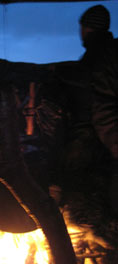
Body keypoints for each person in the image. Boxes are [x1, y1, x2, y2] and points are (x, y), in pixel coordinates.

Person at [79, 5, 118, 215]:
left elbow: (102, 104)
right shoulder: (109, 50)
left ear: (86, 29)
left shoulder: (98, 57)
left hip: (106, 142)